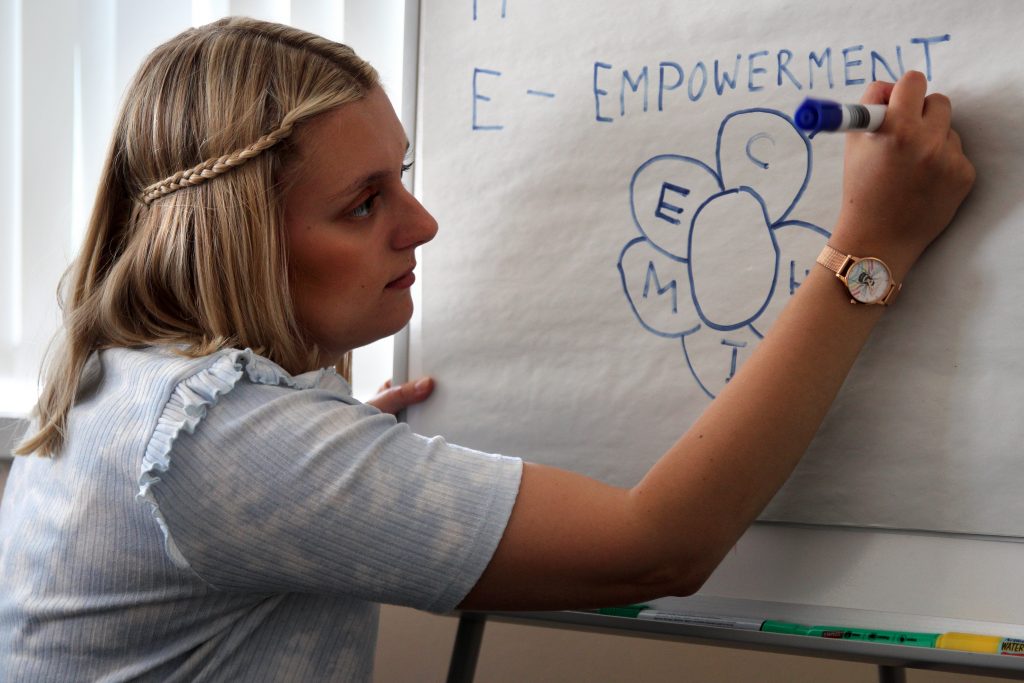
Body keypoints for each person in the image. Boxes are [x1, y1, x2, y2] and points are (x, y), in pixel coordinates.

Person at [0, 16, 974, 682]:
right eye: (364, 202)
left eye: (403, 177)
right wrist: (869, 248)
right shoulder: (221, 444)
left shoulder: (122, 377)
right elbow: (660, 547)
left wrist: (317, 450)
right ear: (236, 237)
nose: (420, 223)